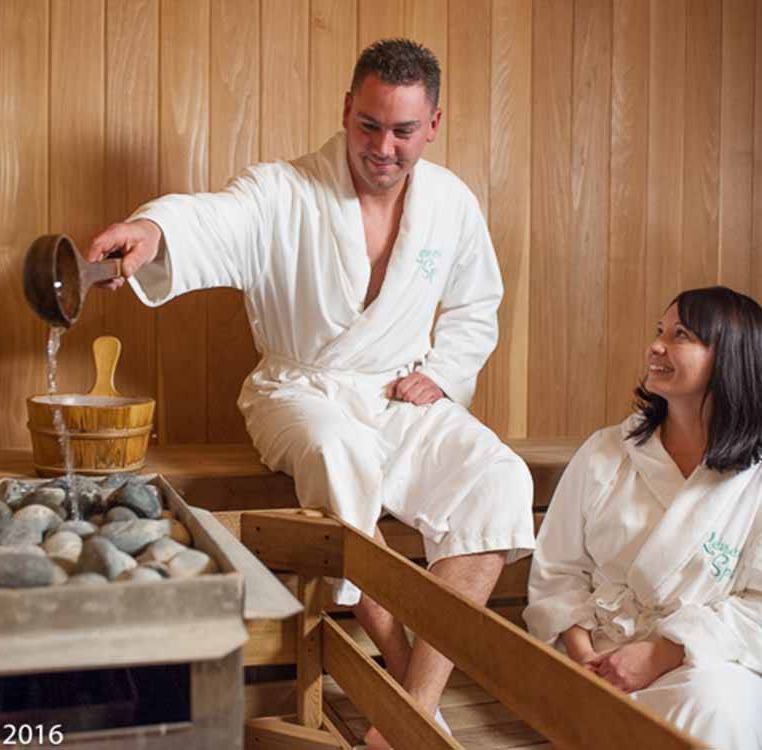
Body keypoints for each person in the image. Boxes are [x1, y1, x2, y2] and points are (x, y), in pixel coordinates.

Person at [87, 38, 535, 747]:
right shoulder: (286, 191)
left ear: (434, 125)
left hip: (400, 393)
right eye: (369, 125)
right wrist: (151, 229)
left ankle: (411, 709)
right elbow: (214, 218)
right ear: (346, 110)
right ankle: (403, 690)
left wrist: (444, 373)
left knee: (499, 478)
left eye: (403, 130)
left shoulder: (451, 204)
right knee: (337, 451)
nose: (383, 147)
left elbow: (478, 306)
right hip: (301, 392)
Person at [524, 286, 762, 749]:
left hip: (713, 663)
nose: (656, 346)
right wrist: (582, 657)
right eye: (659, 331)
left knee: (717, 711)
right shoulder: (606, 452)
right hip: (600, 656)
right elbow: (558, 570)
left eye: (680, 334)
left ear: (731, 358)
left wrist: (664, 652)